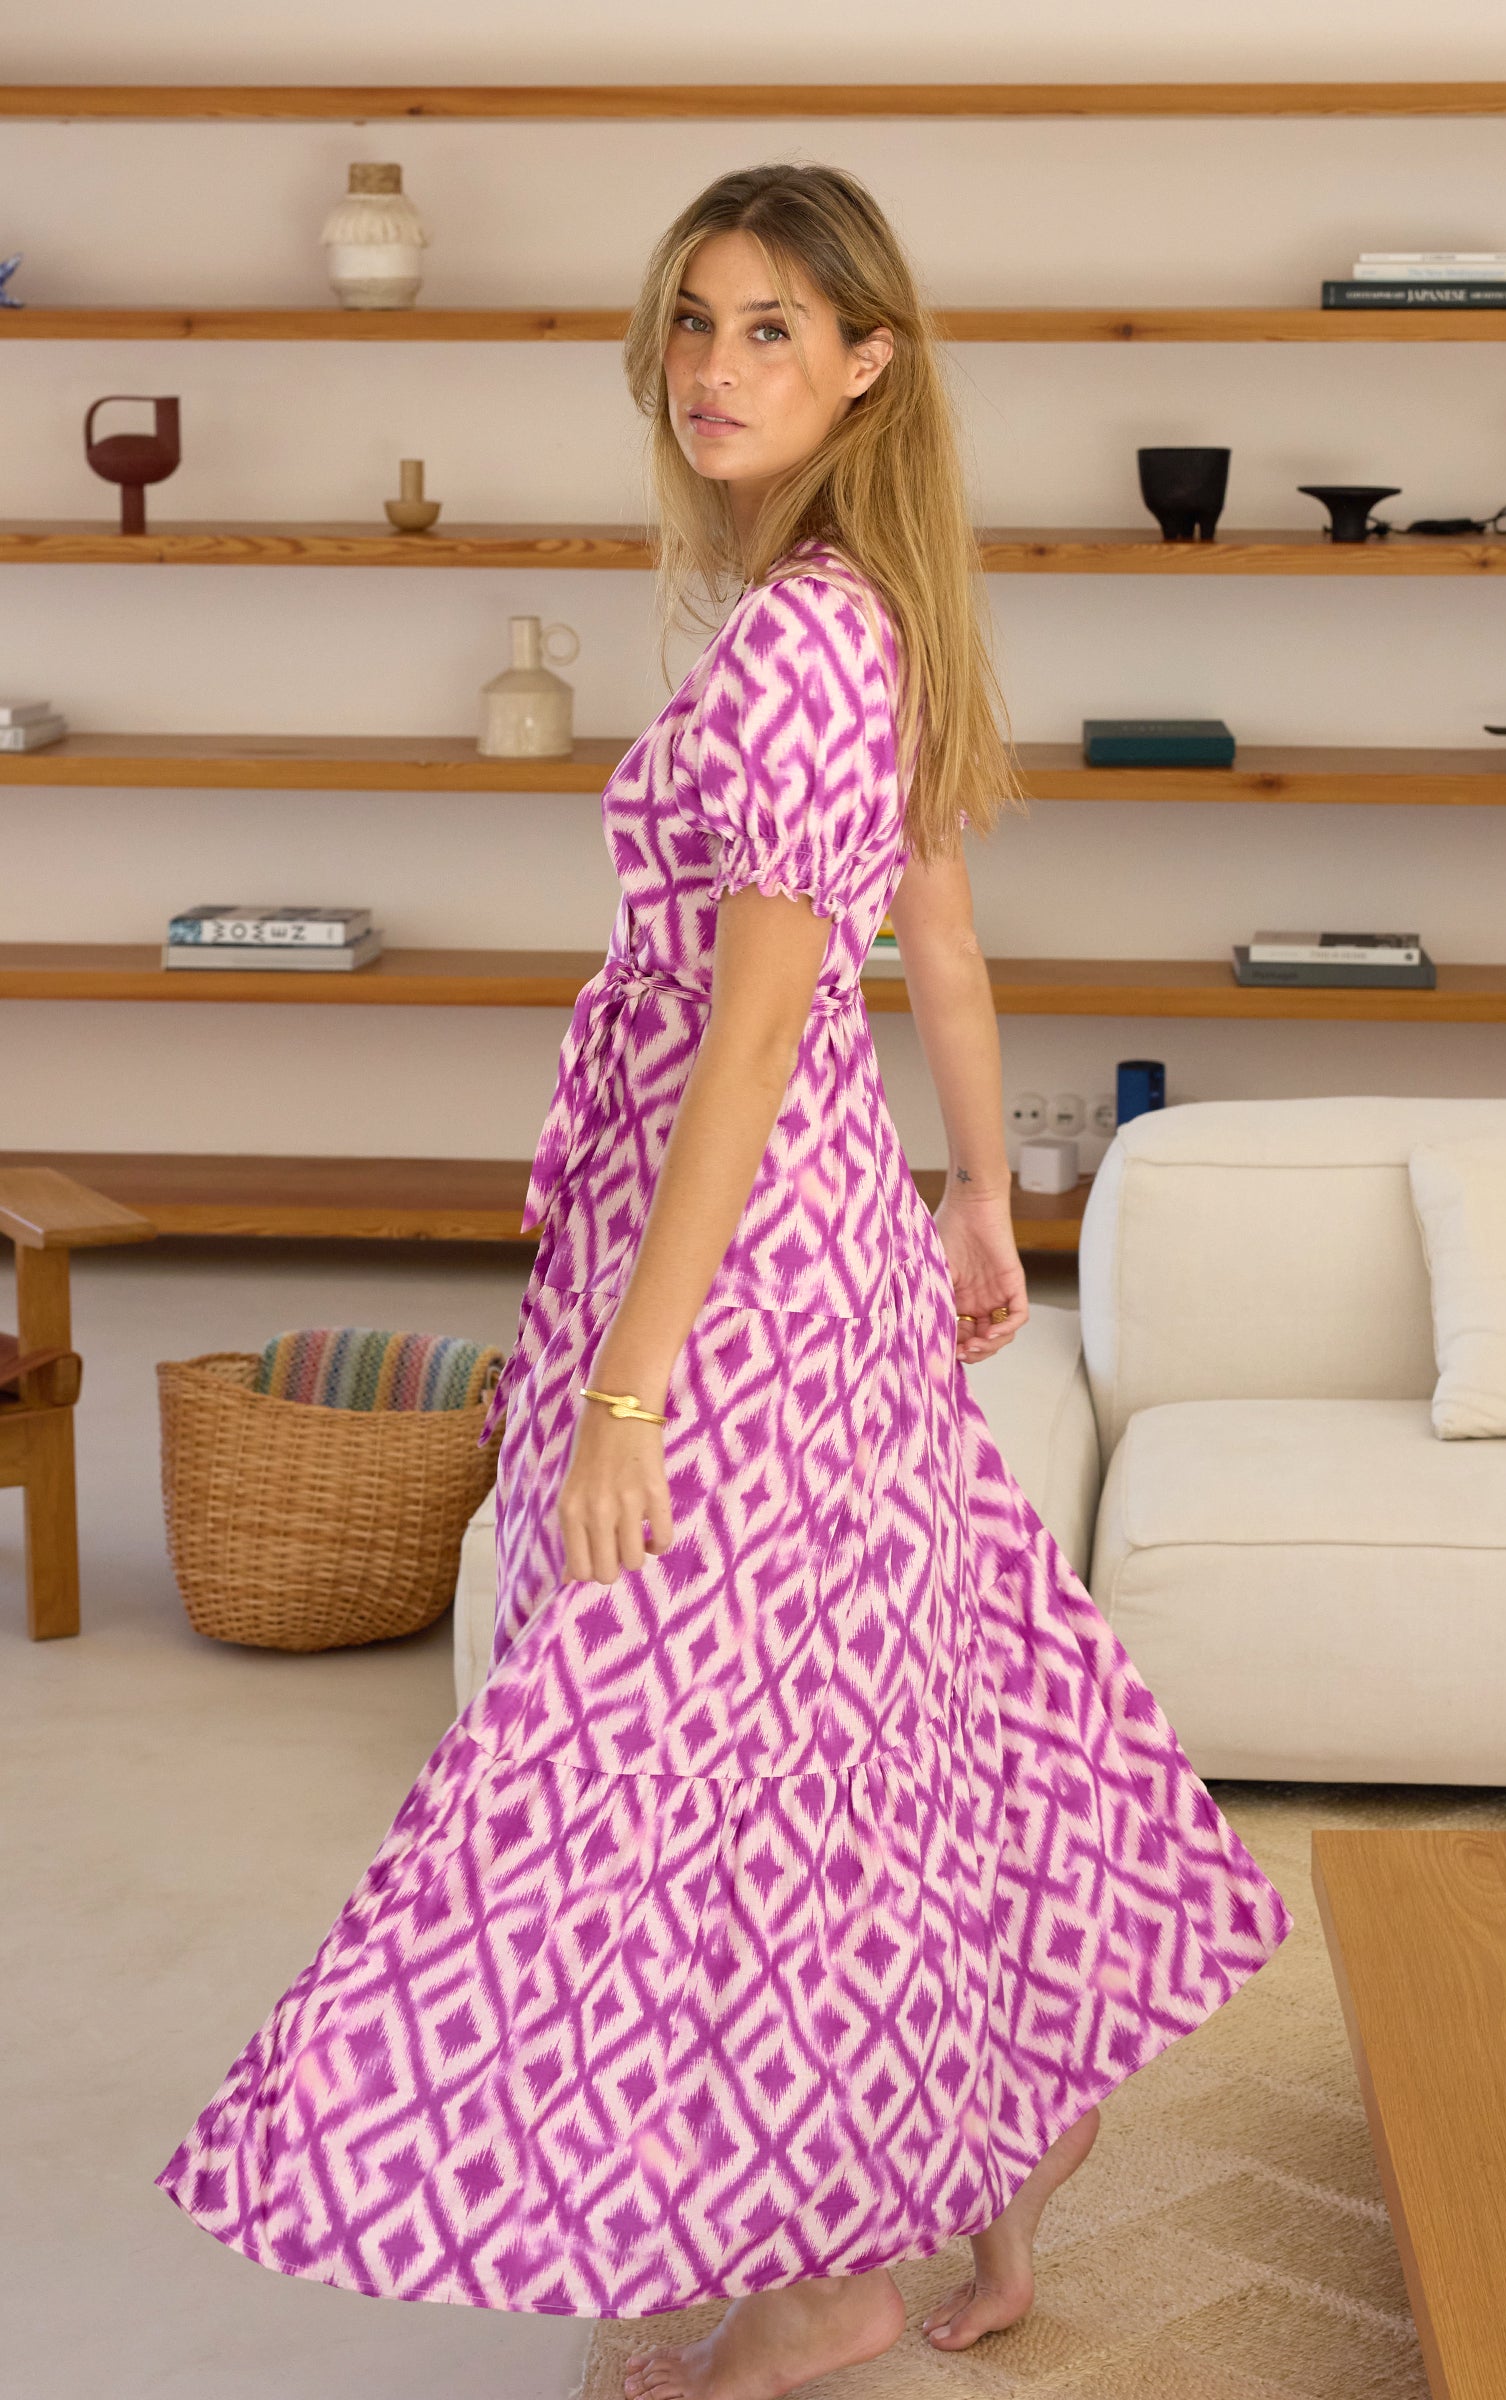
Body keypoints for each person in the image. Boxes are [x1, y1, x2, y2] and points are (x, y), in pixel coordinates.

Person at [153, 163, 1291, 2399]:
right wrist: (981, 1198)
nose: (711, 367)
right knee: (872, 1703)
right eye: (693, 320)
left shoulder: (797, 643)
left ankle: (831, 2265)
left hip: (745, 1270)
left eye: (771, 327)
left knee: (677, 1750)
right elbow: (942, 946)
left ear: (869, 362)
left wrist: (626, 1390)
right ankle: (988, 2133)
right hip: (827, 1240)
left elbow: (763, 1036)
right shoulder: (874, 613)